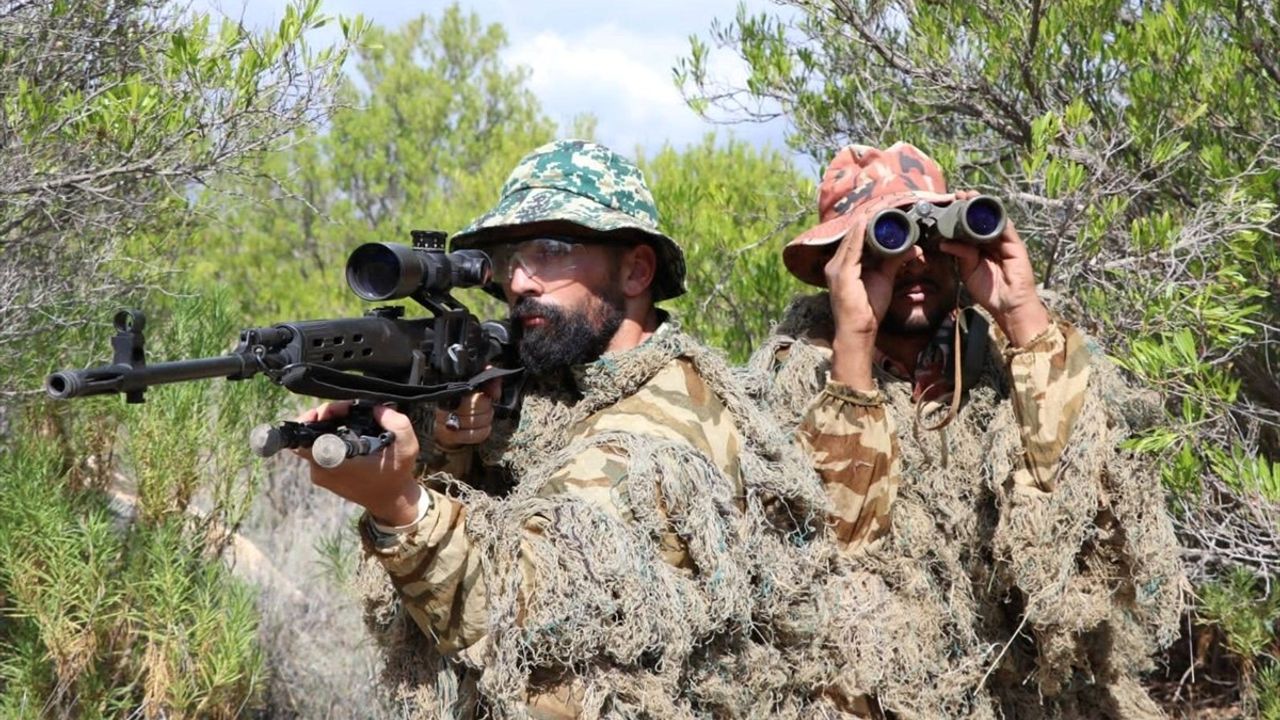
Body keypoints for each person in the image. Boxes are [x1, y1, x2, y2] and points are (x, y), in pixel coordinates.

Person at [293, 139, 828, 718]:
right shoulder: (560, 385)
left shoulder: (663, 425)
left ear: (635, 271)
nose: (520, 282)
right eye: (507, 261)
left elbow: (517, 613)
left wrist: (398, 504)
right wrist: (454, 448)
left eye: (552, 251)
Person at [751, 142, 1184, 717]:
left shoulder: (1015, 355)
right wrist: (854, 341)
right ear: (837, 261)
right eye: (888, 240)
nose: (912, 261)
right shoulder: (790, 382)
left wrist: (1021, 311)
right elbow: (831, 548)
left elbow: (1087, 495)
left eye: (930, 237)